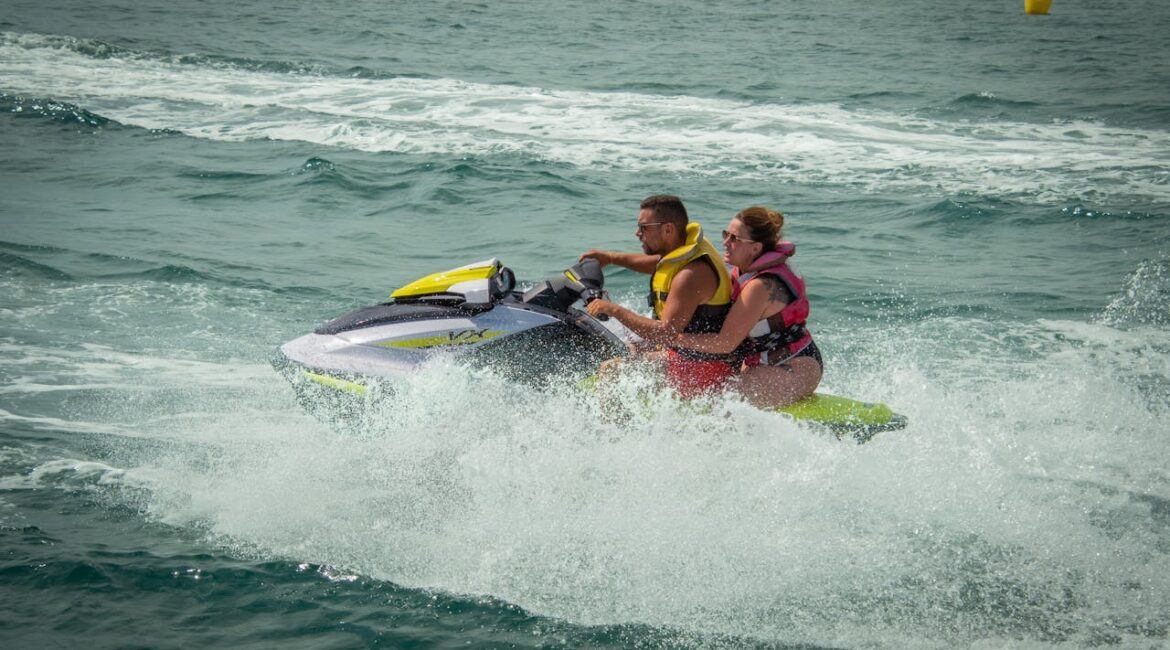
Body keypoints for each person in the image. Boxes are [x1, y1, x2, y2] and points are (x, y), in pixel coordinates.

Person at [588, 206, 821, 408]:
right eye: (725, 234)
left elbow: (724, 343)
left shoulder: (761, 287)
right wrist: (610, 257)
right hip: (752, 361)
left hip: (793, 366)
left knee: (724, 403)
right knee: (614, 370)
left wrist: (669, 336)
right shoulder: (742, 268)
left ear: (756, 248)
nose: (725, 243)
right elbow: (666, 265)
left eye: (734, 239)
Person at [579, 194, 736, 397]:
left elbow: (665, 333)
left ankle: (617, 429)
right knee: (627, 348)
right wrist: (610, 258)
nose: (637, 233)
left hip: (702, 368)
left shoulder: (691, 276)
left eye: (644, 227)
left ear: (668, 229)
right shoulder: (684, 249)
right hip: (685, 353)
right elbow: (659, 264)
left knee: (611, 372)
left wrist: (614, 309)